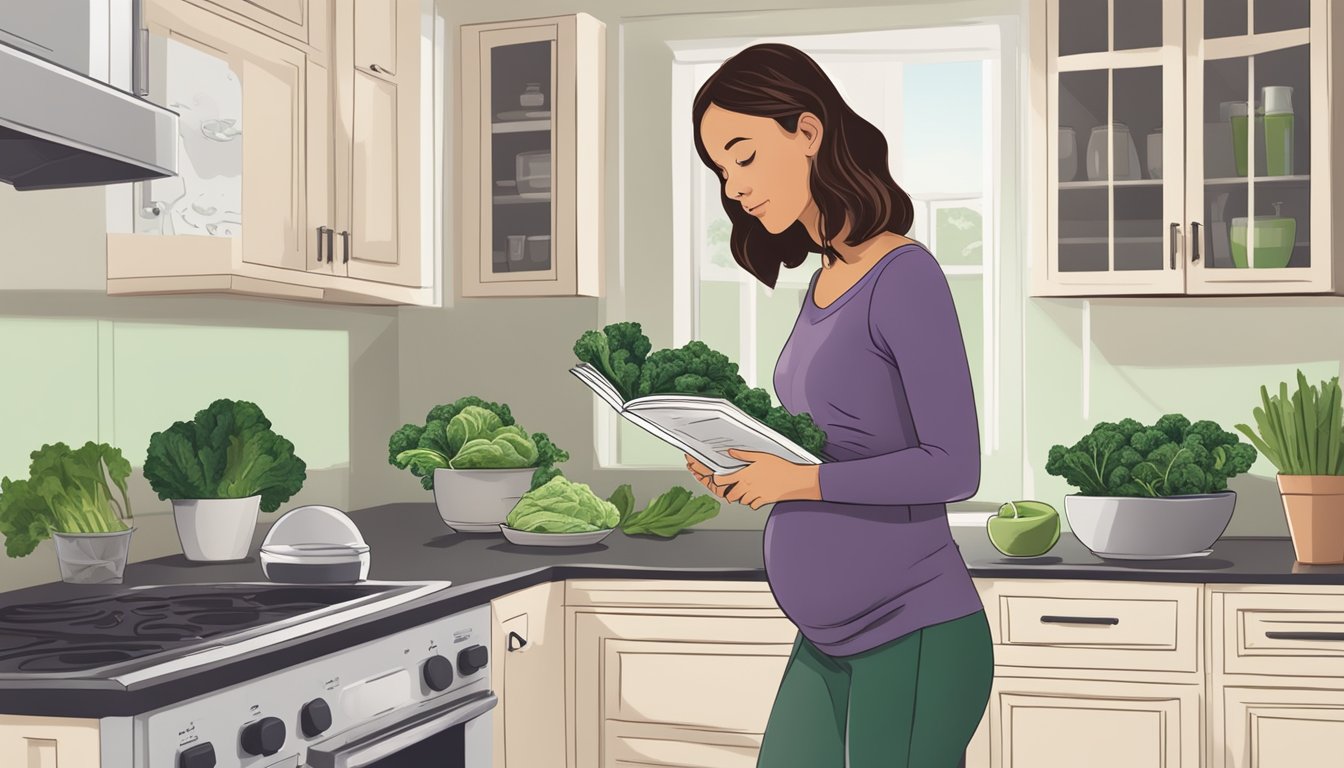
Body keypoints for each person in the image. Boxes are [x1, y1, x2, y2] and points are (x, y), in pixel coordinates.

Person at [684, 43, 994, 767]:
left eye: (744, 155)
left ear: (808, 133)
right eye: (721, 170)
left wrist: (795, 482)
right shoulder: (823, 282)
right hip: (829, 638)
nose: (733, 187)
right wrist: (742, 465)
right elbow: (836, 449)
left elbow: (955, 466)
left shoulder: (904, 275)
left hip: (913, 631)